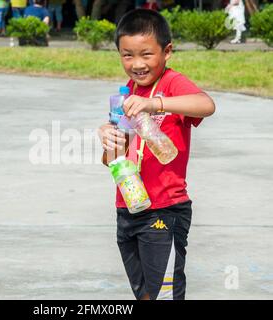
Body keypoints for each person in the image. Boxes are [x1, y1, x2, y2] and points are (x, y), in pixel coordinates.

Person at [97, 9, 215, 300]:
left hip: (164, 210)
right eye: (127, 55)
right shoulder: (125, 94)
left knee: (164, 295)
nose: (137, 64)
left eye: (146, 54)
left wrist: (156, 105)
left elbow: (206, 105)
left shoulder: (172, 84)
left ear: (167, 51)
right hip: (128, 207)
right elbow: (113, 158)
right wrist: (107, 137)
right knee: (145, 294)